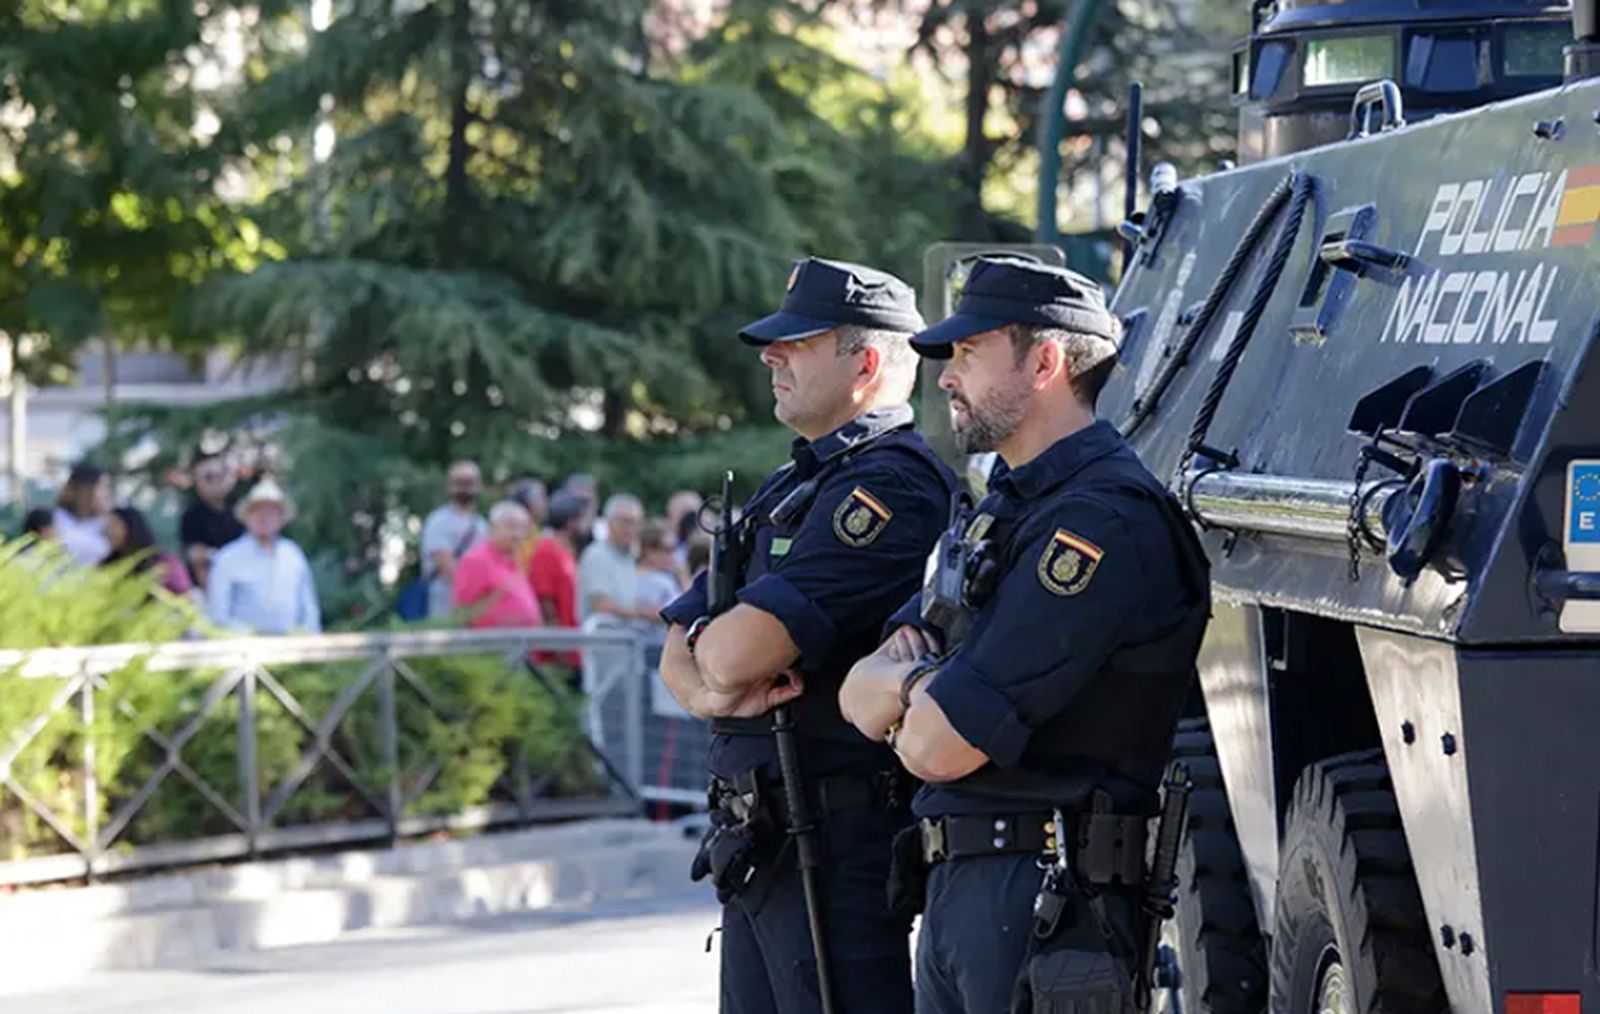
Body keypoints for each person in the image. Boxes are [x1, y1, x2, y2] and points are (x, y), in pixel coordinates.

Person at [837, 257, 1211, 1014]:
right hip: (965, 888)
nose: (945, 377)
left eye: (970, 354)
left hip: (1047, 899)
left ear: (1045, 362)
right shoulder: (1004, 510)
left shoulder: (1102, 523)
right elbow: (855, 695)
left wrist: (908, 690)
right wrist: (916, 696)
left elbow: (936, 744)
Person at [657, 257, 959, 1014]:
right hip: (762, 836)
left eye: (797, 342)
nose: (771, 355)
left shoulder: (892, 484)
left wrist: (718, 667)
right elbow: (675, 641)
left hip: (830, 835)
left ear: (864, 363)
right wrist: (711, 689)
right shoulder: (797, 481)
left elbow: (731, 649)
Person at [207, 478, 323, 635]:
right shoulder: (227, 558)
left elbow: (309, 609)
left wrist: (311, 641)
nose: (264, 518)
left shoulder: (293, 554)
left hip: (294, 648)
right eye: (257, 511)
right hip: (243, 650)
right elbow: (218, 616)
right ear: (246, 516)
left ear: (282, 519)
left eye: (271, 512)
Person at [451, 501, 542, 629]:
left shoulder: (514, 560)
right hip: (491, 644)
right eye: (511, 527)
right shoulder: (476, 560)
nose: (516, 535)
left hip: (520, 643)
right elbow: (462, 614)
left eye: (522, 528)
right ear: (493, 528)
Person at [419, 461, 488, 619]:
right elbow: (447, 567)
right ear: (449, 486)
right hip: (445, 603)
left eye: (469, 482)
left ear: (478, 485)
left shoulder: (482, 525)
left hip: (476, 606)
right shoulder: (439, 521)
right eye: (458, 482)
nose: (464, 487)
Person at [528, 490, 589, 670]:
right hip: (557, 653)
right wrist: (559, 647)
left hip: (574, 643)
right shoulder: (546, 550)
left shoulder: (567, 551)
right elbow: (545, 600)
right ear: (571, 522)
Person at [576, 493, 652, 623]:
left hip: (627, 638)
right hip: (604, 639)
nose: (630, 528)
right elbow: (601, 606)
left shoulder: (631, 557)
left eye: (635, 523)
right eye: (624, 522)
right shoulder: (597, 555)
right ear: (609, 523)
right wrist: (649, 614)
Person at [179, 455, 245, 587]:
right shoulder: (192, 515)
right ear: (198, 483)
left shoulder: (240, 508)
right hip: (212, 580)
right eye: (209, 478)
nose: (216, 481)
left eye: (220, 475)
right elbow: (198, 559)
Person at [104, 506, 194, 597]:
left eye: (114, 525)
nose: (108, 531)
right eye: (108, 526)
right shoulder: (107, 566)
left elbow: (182, 596)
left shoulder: (165, 564)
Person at [53, 464, 112, 565]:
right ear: (84, 490)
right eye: (102, 487)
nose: (107, 493)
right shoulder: (54, 519)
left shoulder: (110, 525)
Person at [633, 518, 683, 620]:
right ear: (648, 549)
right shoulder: (656, 580)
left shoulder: (667, 576)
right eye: (666, 550)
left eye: (674, 549)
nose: (671, 556)